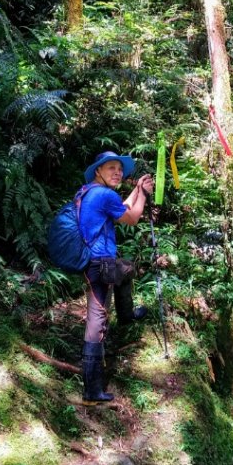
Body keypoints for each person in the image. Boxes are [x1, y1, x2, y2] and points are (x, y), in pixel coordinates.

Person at [78, 150, 154, 404]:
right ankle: (92, 390)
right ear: (98, 170)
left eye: (119, 169)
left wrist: (137, 190)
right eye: (111, 168)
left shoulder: (89, 192)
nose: (117, 172)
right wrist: (143, 194)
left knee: (127, 268)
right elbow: (131, 218)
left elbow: (121, 209)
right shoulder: (104, 194)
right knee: (97, 322)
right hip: (101, 265)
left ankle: (127, 316)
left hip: (96, 262)